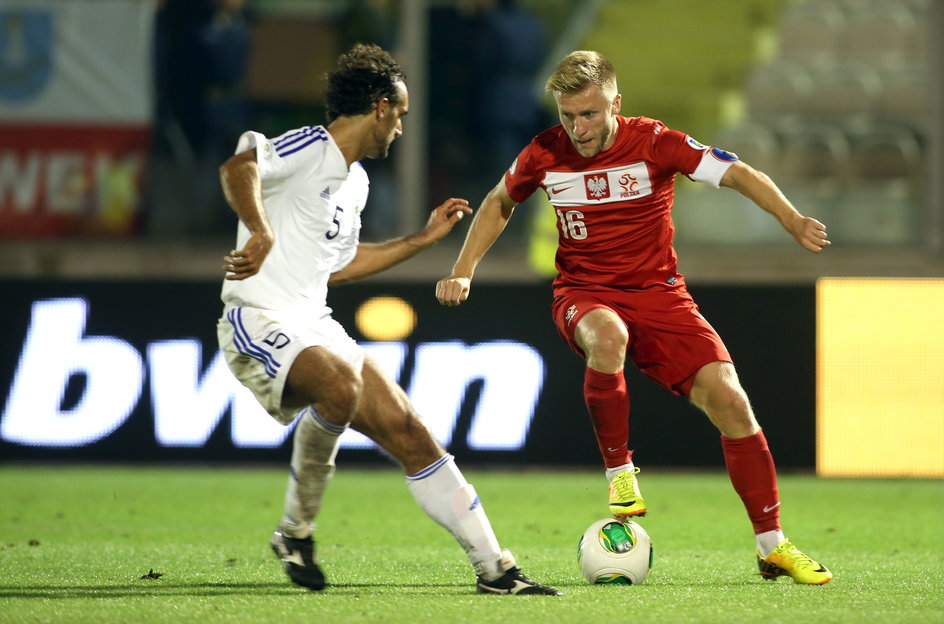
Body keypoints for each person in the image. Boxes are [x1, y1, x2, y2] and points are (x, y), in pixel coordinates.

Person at [436, 50, 833, 585]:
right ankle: (621, 473)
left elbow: (737, 172)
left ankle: (773, 546)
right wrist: (464, 269)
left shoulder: (655, 143)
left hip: (662, 296)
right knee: (608, 336)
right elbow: (498, 201)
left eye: (589, 114)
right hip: (584, 291)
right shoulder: (544, 153)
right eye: (567, 115)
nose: (577, 128)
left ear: (615, 104)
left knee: (733, 403)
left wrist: (790, 218)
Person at [216, 43, 560, 596]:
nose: (400, 127)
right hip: (256, 316)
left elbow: (344, 265)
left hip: (314, 321)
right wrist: (260, 230)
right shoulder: (313, 146)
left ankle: (496, 569)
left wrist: (422, 240)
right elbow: (239, 166)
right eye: (399, 114)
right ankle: (297, 530)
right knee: (338, 384)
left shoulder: (356, 183)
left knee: (411, 431)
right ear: (379, 106)